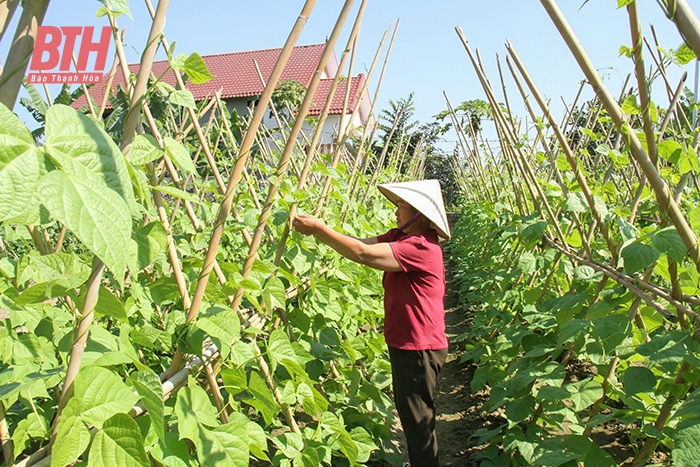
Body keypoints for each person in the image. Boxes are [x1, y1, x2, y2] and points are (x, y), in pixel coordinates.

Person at [292, 179, 450, 467]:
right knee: (413, 415)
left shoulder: (421, 247)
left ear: (419, 213)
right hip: (408, 342)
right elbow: (359, 245)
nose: (395, 211)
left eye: (401, 206)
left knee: (418, 422)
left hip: (419, 347)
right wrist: (323, 232)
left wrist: (319, 230)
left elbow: (364, 255)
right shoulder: (400, 236)